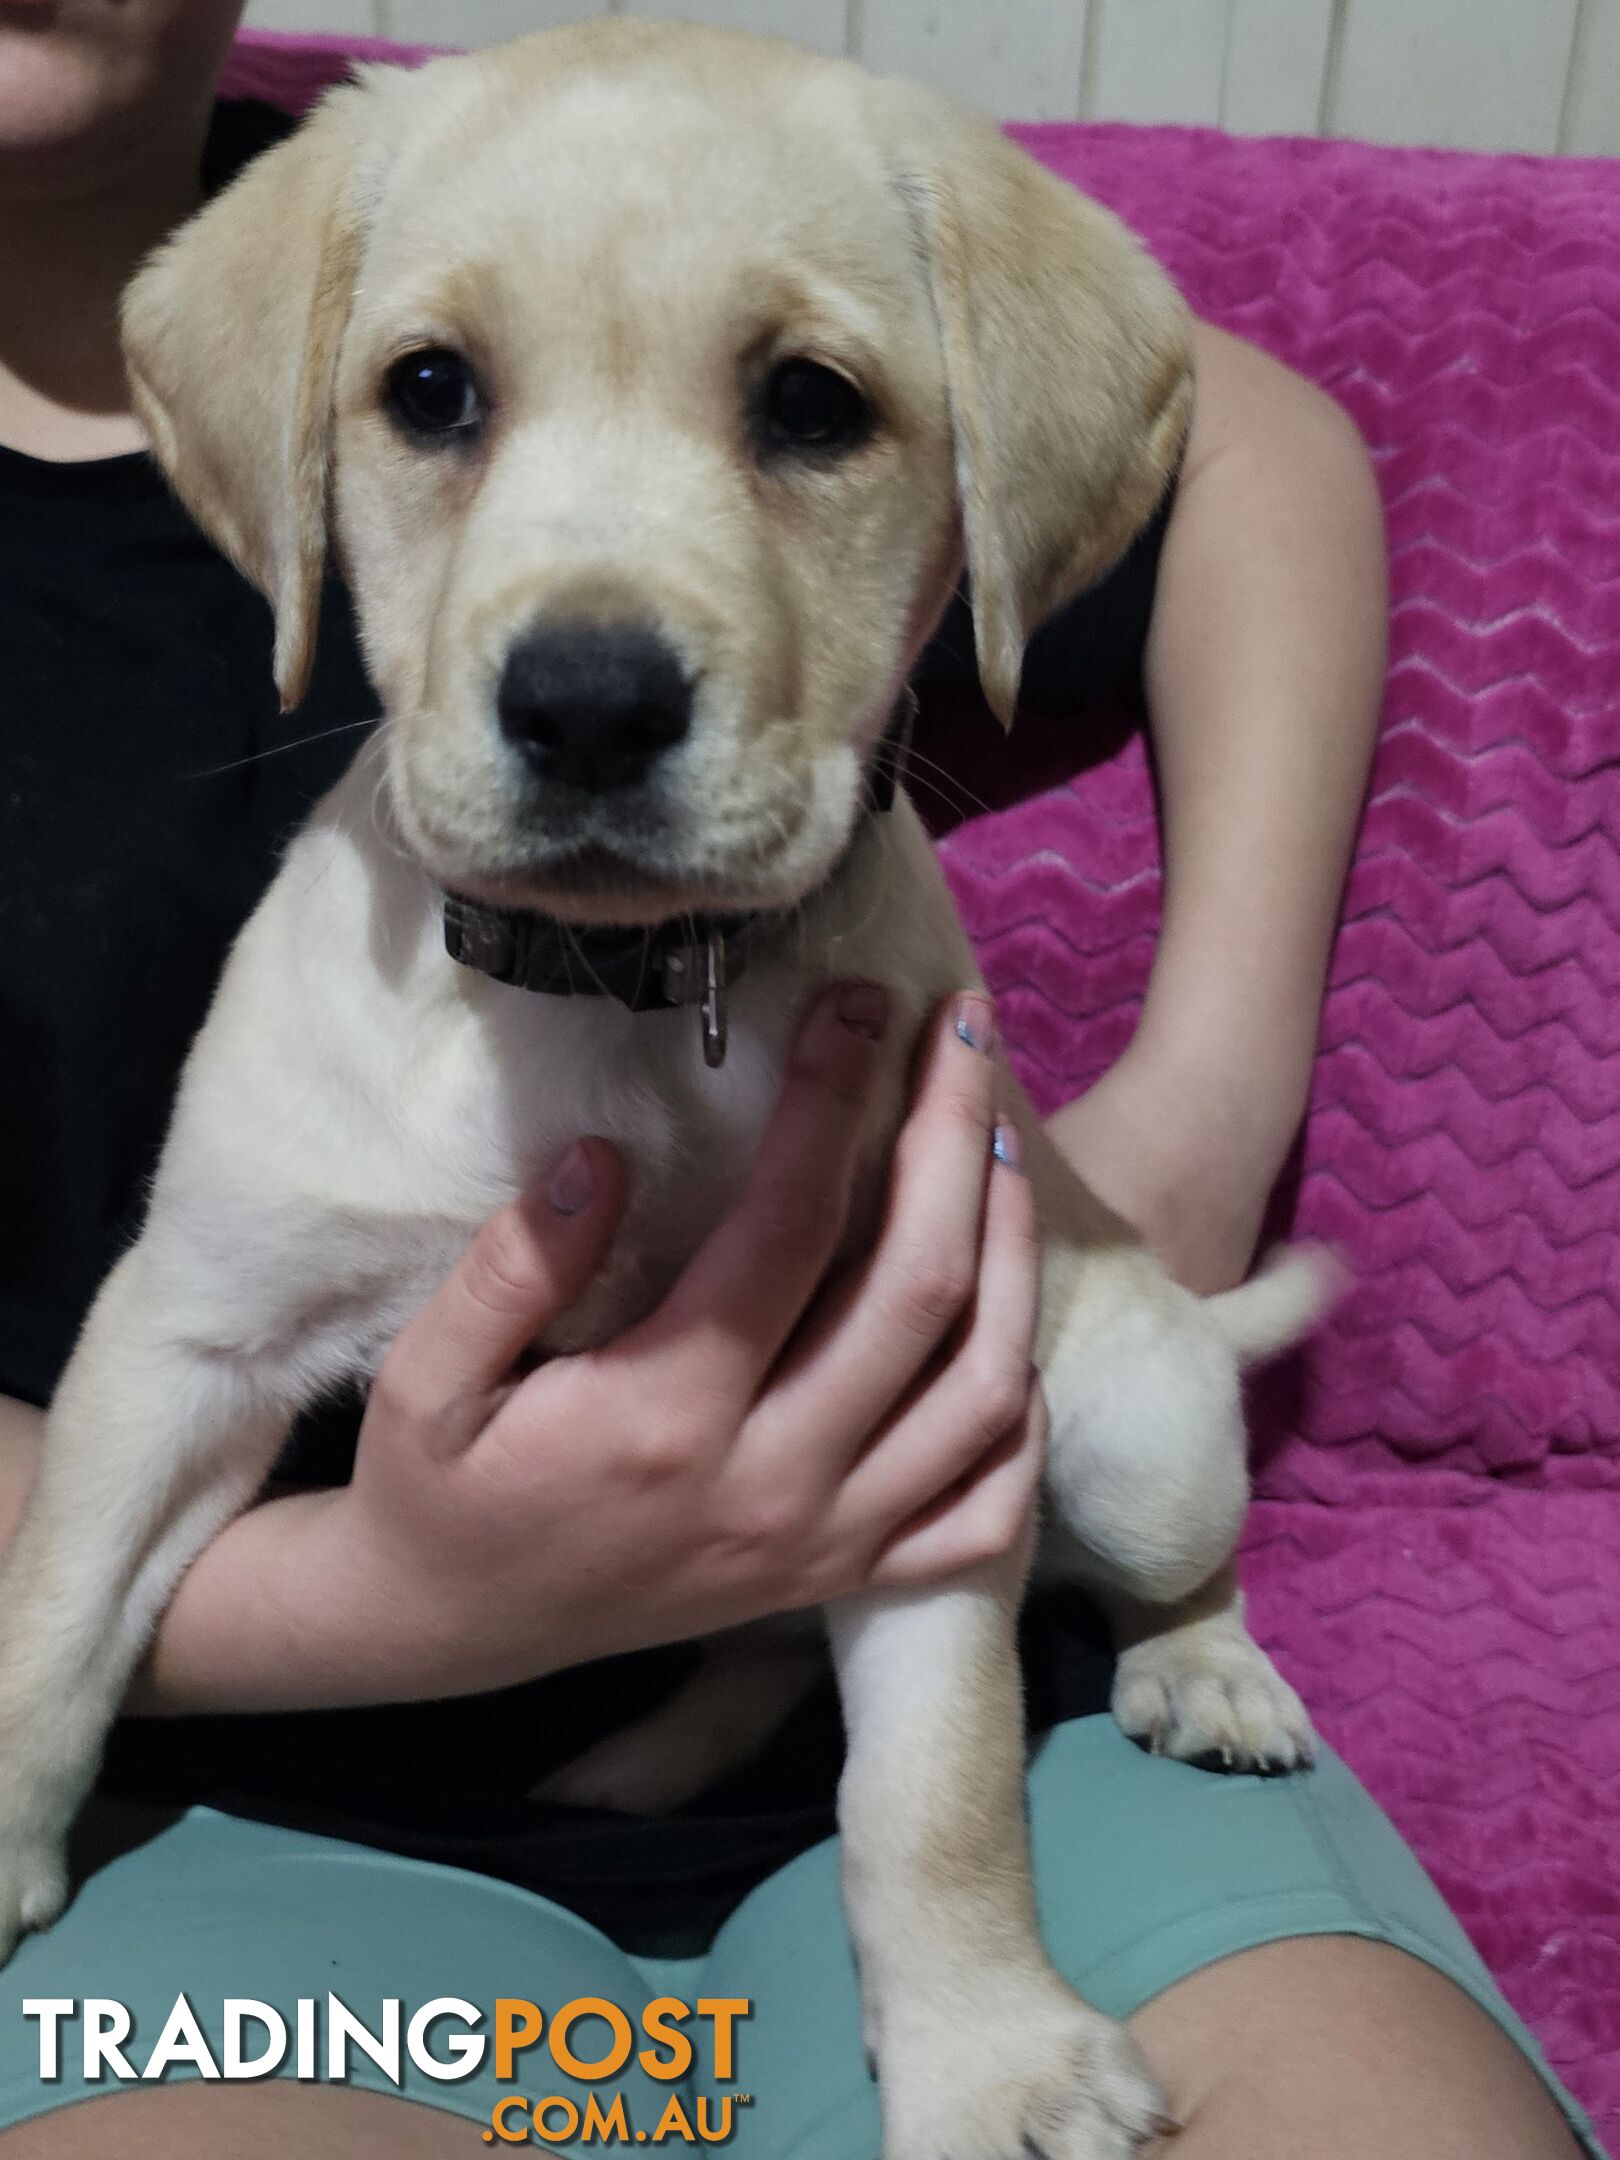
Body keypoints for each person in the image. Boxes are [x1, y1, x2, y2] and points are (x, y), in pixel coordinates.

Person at [0, 3, 1597, 2156]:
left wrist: (1205, 1106)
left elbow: (1246, 444)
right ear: (277, 453)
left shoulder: (457, 181)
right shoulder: (321, 246)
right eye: (439, 397)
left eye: (809, 402)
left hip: (952, 1747)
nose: (592, 648)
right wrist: (367, 1616)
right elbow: (183, 1338)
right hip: (267, 1809)